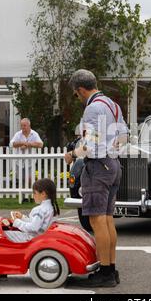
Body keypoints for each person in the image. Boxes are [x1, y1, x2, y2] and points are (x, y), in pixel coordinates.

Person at [65, 69, 128, 287]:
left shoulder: (92, 108)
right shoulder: (113, 105)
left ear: (80, 90)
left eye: (76, 94)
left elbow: (89, 145)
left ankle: (105, 273)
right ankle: (111, 269)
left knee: (97, 220)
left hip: (98, 166)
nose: (78, 98)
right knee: (108, 219)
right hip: (113, 163)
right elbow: (124, 136)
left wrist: (73, 154)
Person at [4, 178, 59, 243]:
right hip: (40, 237)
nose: (33, 195)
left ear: (43, 194)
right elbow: (37, 223)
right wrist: (22, 217)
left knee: (3, 234)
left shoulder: (40, 210)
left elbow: (33, 228)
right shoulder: (51, 208)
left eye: (34, 193)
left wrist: (16, 222)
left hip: (31, 238)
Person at [9, 118, 44, 195]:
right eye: (21, 125)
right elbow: (12, 144)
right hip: (19, 161)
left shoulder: (34, 134)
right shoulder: (18, 134)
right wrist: (22, 143)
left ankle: (31, 195)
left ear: (29, 125)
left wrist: (29, 144)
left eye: (24, 125)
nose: (23, 127)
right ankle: (23, 196)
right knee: (21, 179)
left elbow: (41, 144)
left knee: (30, 179)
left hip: (30, 161)